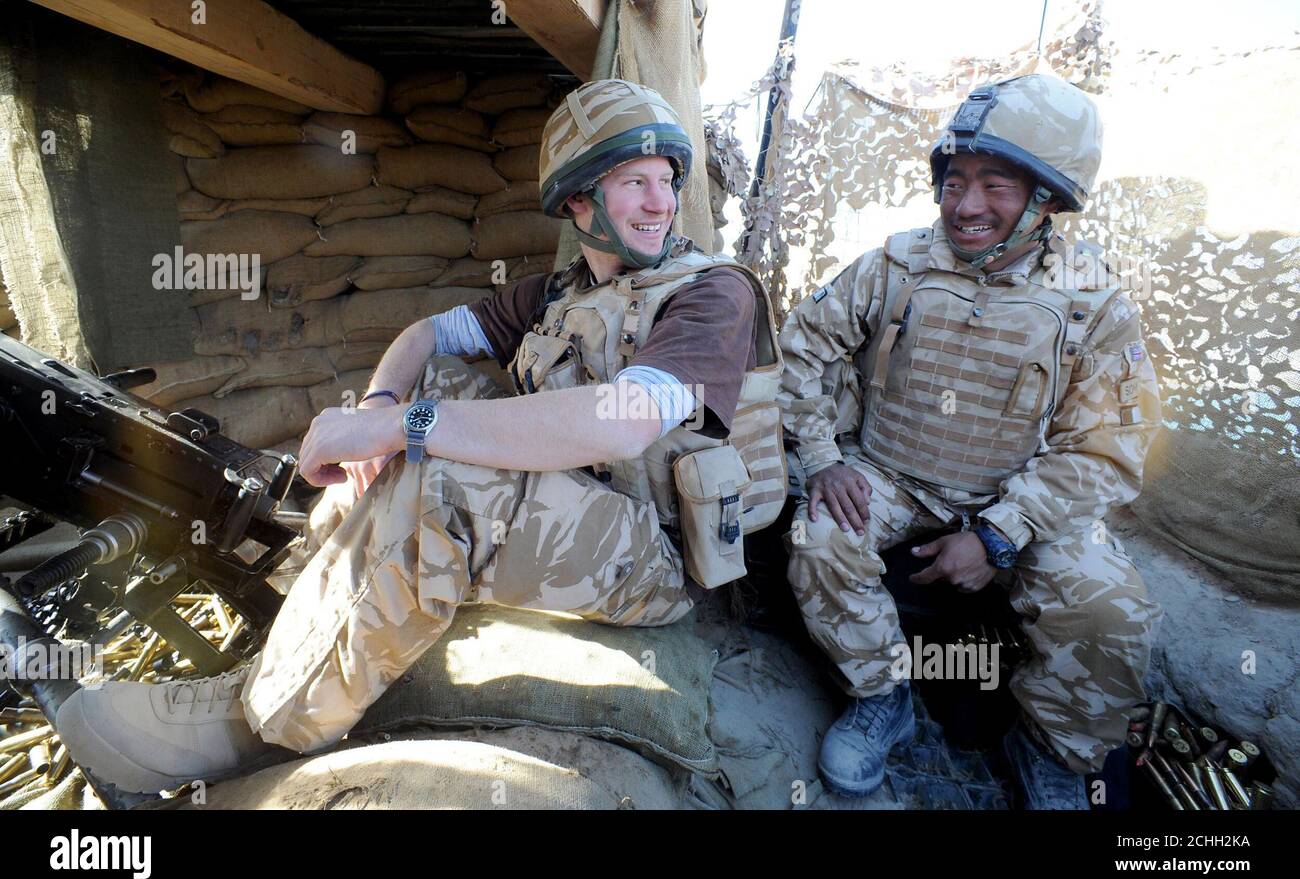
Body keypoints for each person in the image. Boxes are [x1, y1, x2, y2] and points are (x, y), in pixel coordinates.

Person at [57, 79, 783, 795]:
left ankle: (266, 727)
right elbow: (427, 335)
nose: (662, 202)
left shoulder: (714, 293)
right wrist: (379, 405)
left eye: (666, 180)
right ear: (578, 198)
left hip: (653, 559)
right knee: (438, 402)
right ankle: (294, 638)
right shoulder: (561, 294)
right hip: (582, 510)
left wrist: (401, 426)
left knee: (448, 466)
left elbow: (623, 419)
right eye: (635, 182)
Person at [777, 73, 1163, 809]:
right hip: (894, 478)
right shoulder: (898, 263)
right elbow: (803, 345)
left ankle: (1052, 747)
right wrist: (824, 459)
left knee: (1109, 605)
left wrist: (998, 536)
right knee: (817, 536)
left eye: (995, 185)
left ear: (1047, 198)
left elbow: (1107, 447)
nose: (967, 205)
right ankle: (880, 698)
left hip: (1023, 502)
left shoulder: (1094, 300)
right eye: (955, 182)